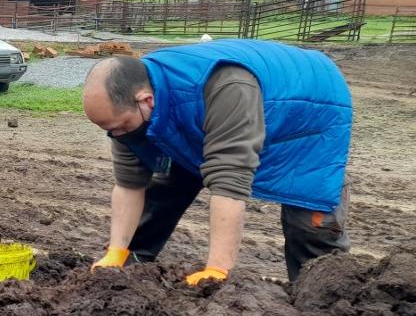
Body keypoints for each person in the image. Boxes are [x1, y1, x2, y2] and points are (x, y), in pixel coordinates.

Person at [81, 40, 352, 285]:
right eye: (109, 129)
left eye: (119, 127)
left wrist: (217, 272)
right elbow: (129, 183)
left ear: (146, 100)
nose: (115, 136)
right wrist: (116, 251)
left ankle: (321, 299)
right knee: (165, 185)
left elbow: (229, 181)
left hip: (310, 113)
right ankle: (130, 265)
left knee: (309, 222)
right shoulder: (130, 106)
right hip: (205, 109)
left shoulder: (226, 87)